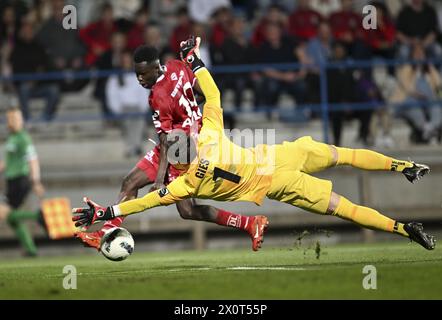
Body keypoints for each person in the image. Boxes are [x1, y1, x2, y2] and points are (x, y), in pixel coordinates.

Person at [73, 37, 436, 251]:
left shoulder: (186, 183)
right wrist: (195, 61)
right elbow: (213, 93)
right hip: (277, 153)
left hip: (277, 184)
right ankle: (402, 165)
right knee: (344, 155)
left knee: (343, 207)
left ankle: (403, 229)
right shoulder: (210, 133)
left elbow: (149, 201)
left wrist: (105, 213)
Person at [75, 44, 267, 251]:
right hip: (188, 142)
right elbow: (200, 94)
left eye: (143, 74)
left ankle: (248, 223)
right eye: (137, 73)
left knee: (187, 210)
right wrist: (186, 110)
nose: (139, 79)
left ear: (156, 68)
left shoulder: (157, 96)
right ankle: (103, 234)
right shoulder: (176, 66)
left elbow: (166, 139)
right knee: (130, 183)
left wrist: (159, 180)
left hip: (181, 152)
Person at [0, 107, 45, 256]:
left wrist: (36, 181)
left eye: (16, 118)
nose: (12, 121)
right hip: (12, 181)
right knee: (13, 218)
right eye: (10, 118)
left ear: (21, 120)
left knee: (3, 212)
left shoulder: (24, 138)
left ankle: (38, 217)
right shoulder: (12, 138)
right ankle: (31, 250)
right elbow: (10, 162)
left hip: (20, 180)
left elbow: (33, 160)